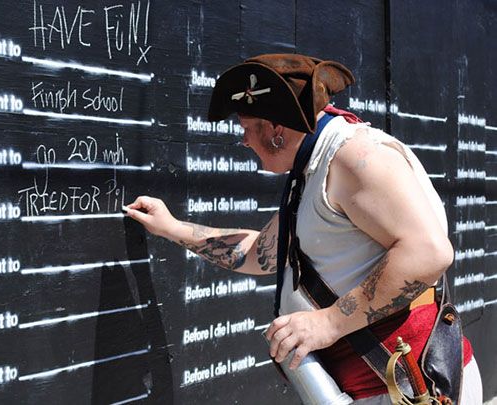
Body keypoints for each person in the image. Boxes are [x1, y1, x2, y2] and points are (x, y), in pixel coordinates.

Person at [124, 54, 482, 404]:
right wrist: (172, 227)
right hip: (376, 389)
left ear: (277, 129)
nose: (244, 140)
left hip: (408, 389)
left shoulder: (353, 157)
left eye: (248, 128)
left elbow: (429, 253)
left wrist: (327, 323)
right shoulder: (315, 167)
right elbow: (258, 253)